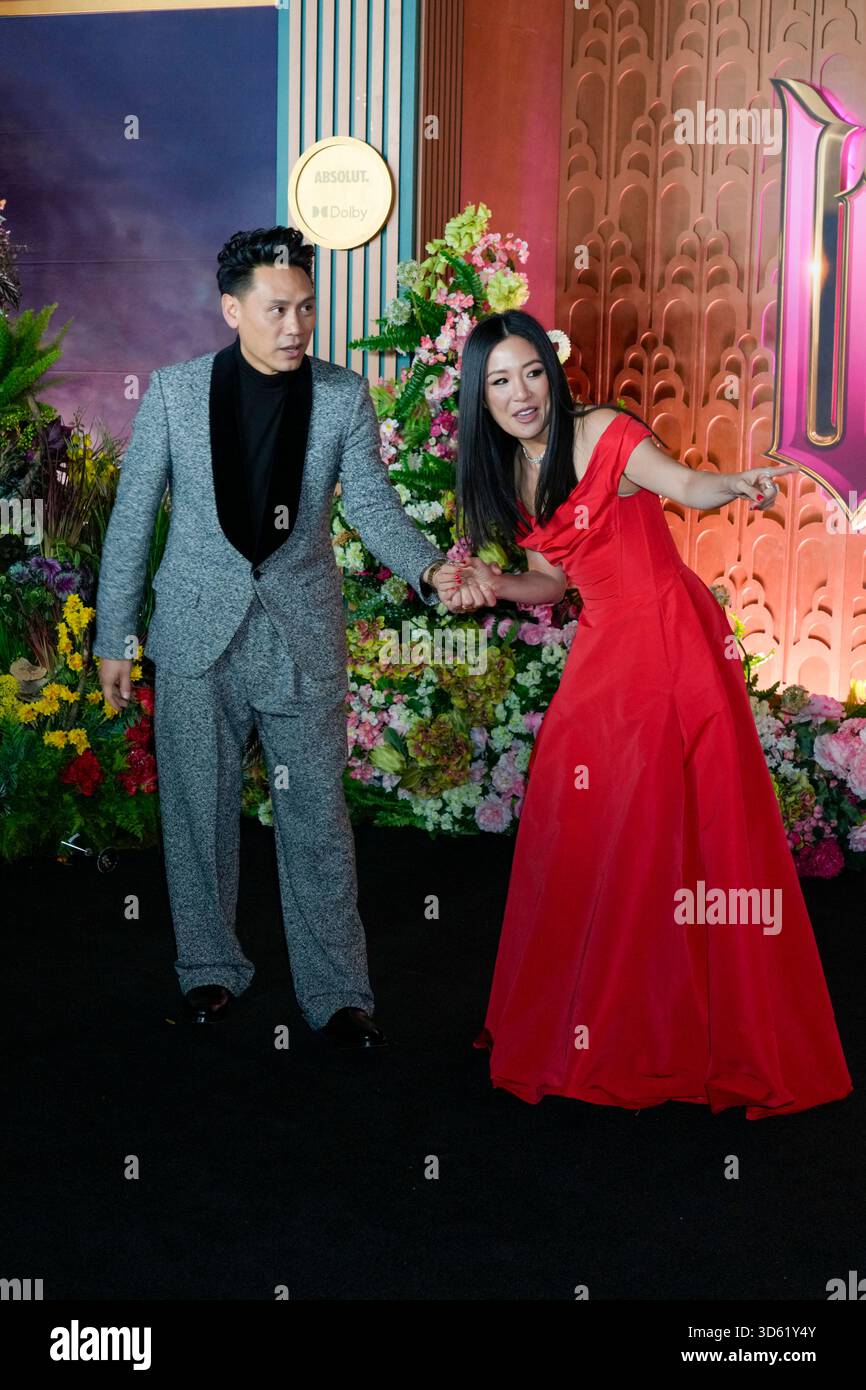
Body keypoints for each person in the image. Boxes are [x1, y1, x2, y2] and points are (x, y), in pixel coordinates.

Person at [442, 308, 853, 1118]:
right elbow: (550, 583)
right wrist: (490, 587)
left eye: (531, 372)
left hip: (669, 641)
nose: (521, 393)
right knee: (578, 813)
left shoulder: (603, 433)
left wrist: (727, 486)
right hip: (602, 647)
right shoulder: (513, 475)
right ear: (479, 400)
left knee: (669, 823)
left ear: (550, 375)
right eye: (499, 382)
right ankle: (594, 1017)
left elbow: (686, 484)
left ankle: (679, 1031)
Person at [93, 226, 494, 1043]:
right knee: (197, 814)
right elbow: (132, 523)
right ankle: (209, 969)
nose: (296, 327)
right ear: (232, 309)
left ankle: (340, 992)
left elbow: (373, 507)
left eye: (307, 309)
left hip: (301, 636)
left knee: (315, 820)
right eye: (278, 309)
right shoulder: (171, 394)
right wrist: (113, 637)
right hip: (195, 637)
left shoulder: (344, 395)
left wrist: (428, 568)